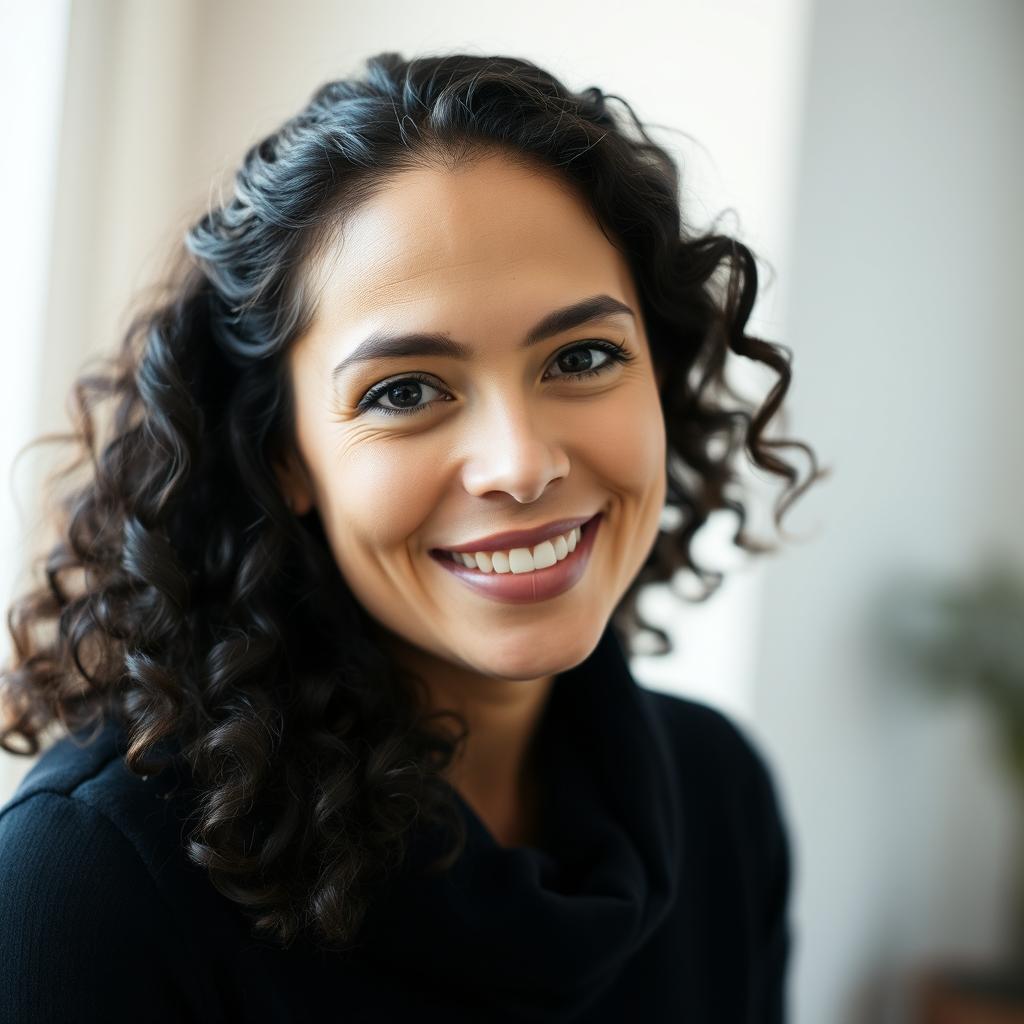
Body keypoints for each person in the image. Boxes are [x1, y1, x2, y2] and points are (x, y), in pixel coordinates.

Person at [0, 51, 825, 1022]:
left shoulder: (719, 795)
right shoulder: (90, 877)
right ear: (284, 455)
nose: (518, 463)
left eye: (584, 355)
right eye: (404, 390)